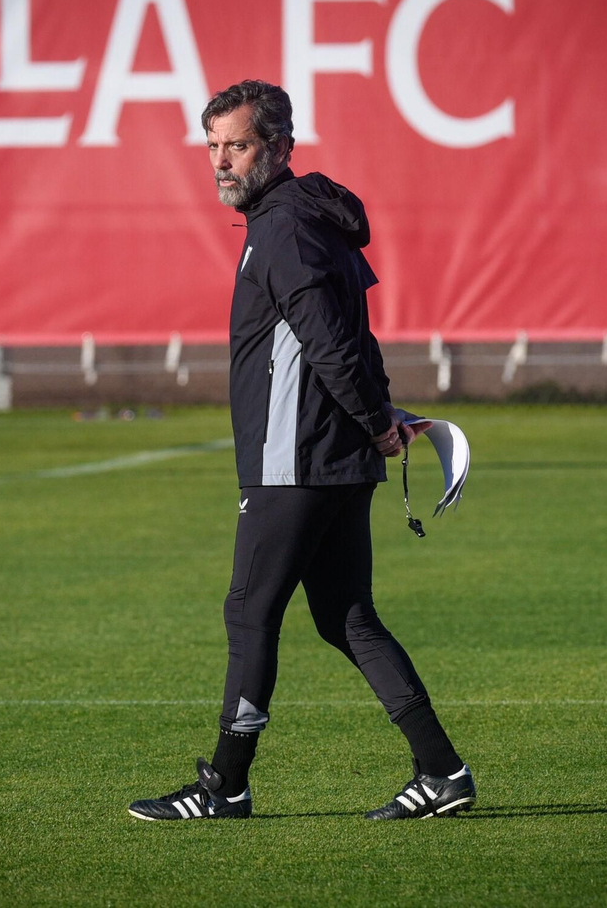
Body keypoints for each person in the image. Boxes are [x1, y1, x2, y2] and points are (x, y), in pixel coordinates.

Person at [127, 80, 474, 821]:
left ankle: (226, 785)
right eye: (213, 146)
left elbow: (331, 343)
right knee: (346, 617)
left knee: (250, 612)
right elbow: (355, 338)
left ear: (280, 147)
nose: (222, 161)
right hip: (328, 455)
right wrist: (379, 414)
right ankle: (443, 771)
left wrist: (376, 420)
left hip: (296, 460)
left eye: (238, 145)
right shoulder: (301, 220)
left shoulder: (283, 226)